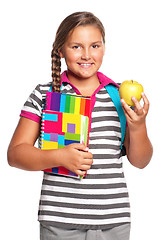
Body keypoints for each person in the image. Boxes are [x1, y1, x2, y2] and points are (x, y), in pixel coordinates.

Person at [7, 11, 153, 240]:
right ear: (60, 50)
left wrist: (138, 125)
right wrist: (59, 157)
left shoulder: (118, 95)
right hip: (59, 221)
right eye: (76, 47)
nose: (87, 55)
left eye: (95, 46)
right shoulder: (44, 94)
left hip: (113, 221)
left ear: (104, 47)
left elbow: (141, 161)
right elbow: (15, 154)